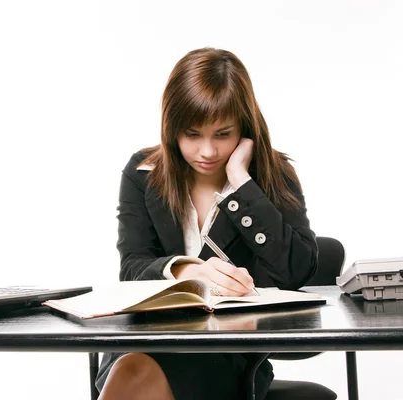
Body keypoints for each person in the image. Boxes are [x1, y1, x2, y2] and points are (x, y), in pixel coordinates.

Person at [95, 47, 319, 400]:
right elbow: (132, 268)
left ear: (245, 127)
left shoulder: (273, 175)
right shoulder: (143, 173)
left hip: (227, 351)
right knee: (133, 368)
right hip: (146, 339)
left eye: (222, 134)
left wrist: (241, 184)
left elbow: (296, 271)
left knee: (139, 376)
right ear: (172, 129)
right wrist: (185, 271)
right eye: (193, 134)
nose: (207, 152)